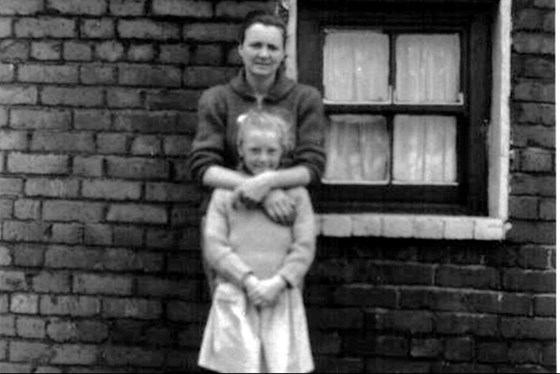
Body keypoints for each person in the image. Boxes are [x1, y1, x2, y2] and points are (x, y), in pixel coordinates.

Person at [198, 109, 316, 373]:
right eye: (255, 150)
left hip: (279, 296)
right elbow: (215, 247)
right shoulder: (223, 195)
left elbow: (304, 246)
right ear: (240, 149)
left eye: (271, 151)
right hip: (237, 295)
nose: (263, 158)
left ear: (282, 150)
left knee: (279, 366)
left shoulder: (296, 195)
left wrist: (279, 281)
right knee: (237, 366)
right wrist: (248, 281)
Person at [187, 10, 326, 225]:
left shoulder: (305, 98)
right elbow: (203, 168)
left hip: (285, 215)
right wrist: (263, 191)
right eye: (256, 45)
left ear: (282, 54)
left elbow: (312, 168)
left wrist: (269, 182)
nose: (264, 54)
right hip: (227, 215)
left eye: (272, 47)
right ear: (241, 49)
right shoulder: (217, 99)